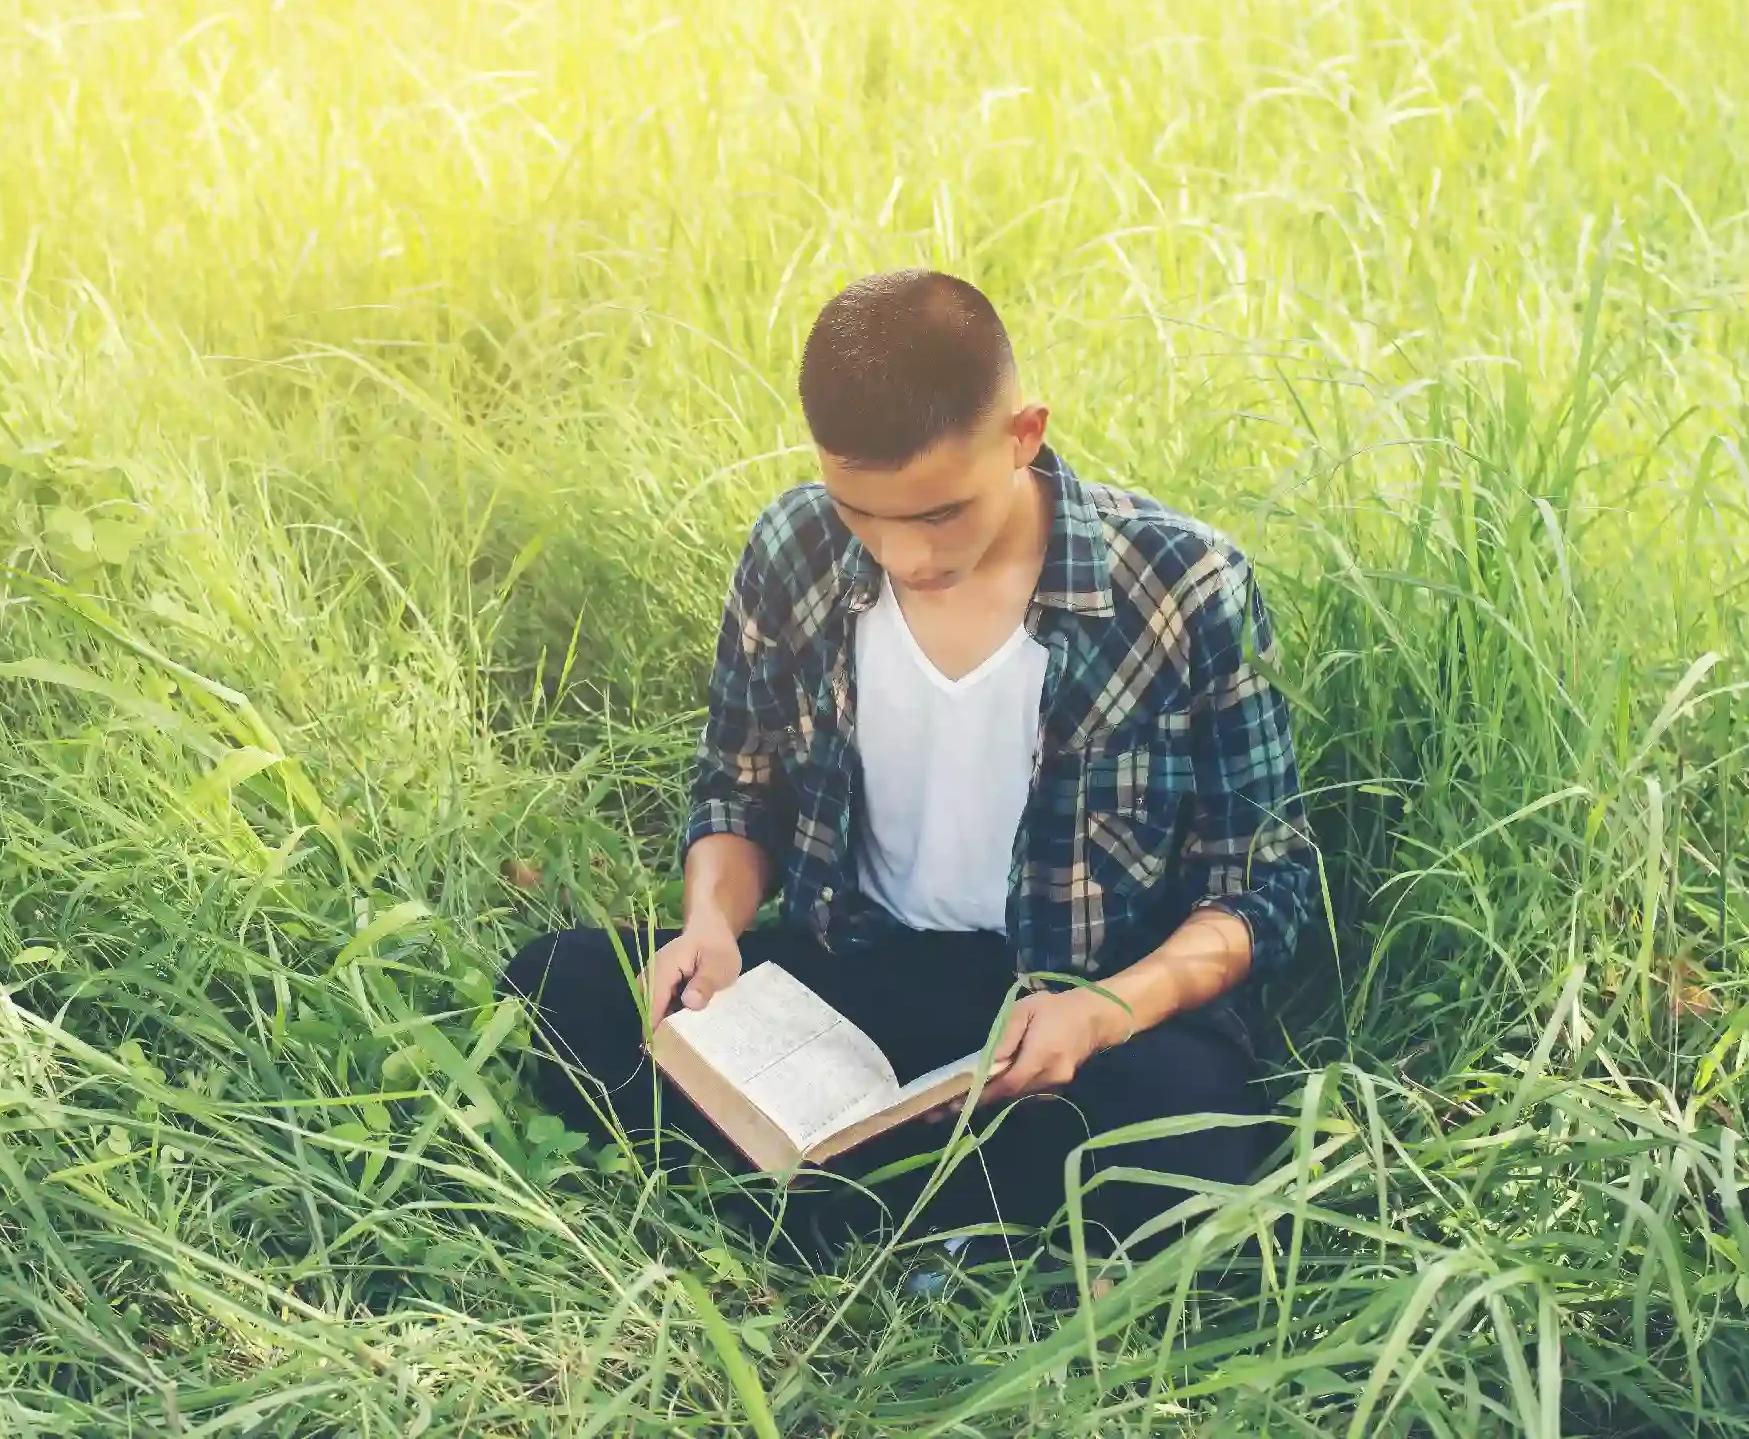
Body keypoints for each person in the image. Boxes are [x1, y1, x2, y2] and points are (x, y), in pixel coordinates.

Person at [503, 269, 1319, 1267]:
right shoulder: (793, 547)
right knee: (564, 987)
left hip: (1067, 1013)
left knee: (1196, 1145)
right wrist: (713, 928)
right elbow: (738, 785)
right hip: (859, 977)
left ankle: (829, 1202)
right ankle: (954, 1216)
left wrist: (1107, 1012)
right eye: (863, 512)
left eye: (938, 514)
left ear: (1024, 434)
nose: (903, 555)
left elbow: (1264, 887)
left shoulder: (1184, 585)